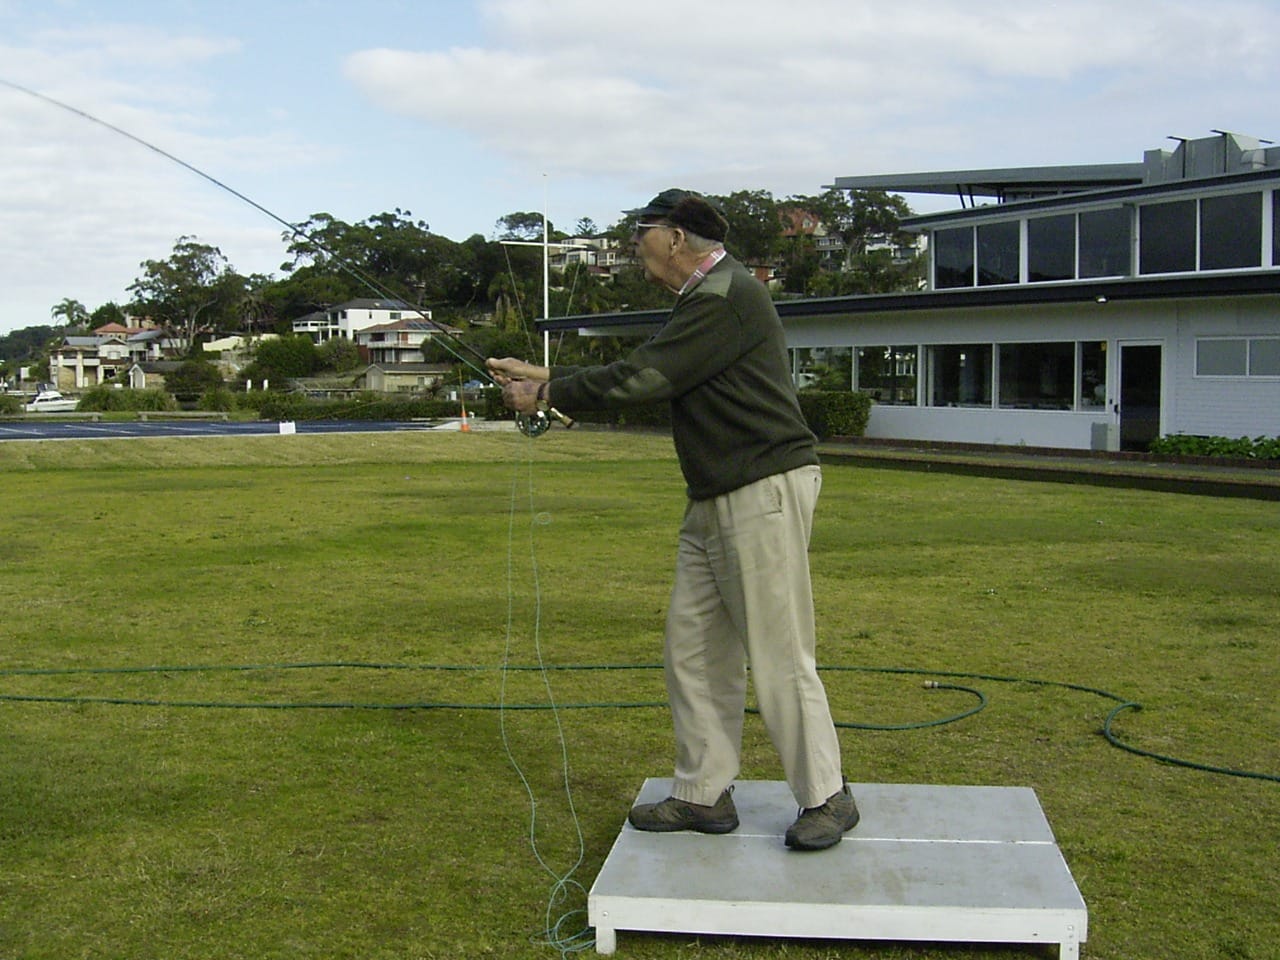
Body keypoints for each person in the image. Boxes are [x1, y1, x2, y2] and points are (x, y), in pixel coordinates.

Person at [487, 189, 858, 851]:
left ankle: (827, 795)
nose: (637, 244)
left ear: (678, 237)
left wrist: (542, 392)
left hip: (761, 488)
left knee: (778, 653)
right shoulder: (703, 300)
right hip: (715, 495)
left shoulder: (725, 294)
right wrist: (542, 373)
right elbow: (651, 369)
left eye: (643, 231)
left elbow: (647, 378)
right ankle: (703, 794)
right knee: (691, 649)